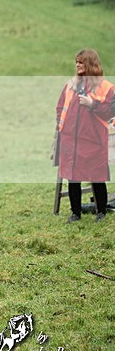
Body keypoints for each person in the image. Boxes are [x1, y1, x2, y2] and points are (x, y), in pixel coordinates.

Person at [55, 48, 115, 223]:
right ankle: (75, 213)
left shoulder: (106, 87)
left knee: (97, 176)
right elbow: (60, 108)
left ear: (90, 63)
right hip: (70, 139)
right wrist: (61, 127)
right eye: (76, 62)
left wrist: (92, 103)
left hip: (93, 140)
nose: (77, 65)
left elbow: (110, 112)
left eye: (81, 62)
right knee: (73, 177)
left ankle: (101, 212)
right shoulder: (70, 85)